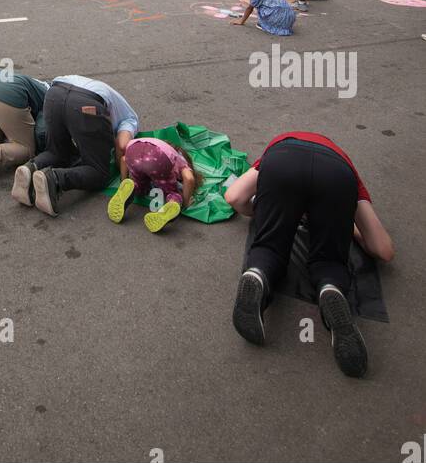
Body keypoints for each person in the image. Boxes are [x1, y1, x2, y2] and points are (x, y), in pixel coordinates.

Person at [225, 133, 394, 379]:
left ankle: (257, 272)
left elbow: (234, 197)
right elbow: (383, 250)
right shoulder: (347, 169)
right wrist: (346, 226)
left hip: (283, 162)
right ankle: (330, 288)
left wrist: (269, 214)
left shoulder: (279, 146)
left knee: (269, 247)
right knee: (329, 261)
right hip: (335, 176)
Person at [11, 74, 138, 217]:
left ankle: (30, 168)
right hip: (86, 103)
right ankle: (55, 178)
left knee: (57, 152)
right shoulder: (130, 118)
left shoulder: (107, 92)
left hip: (55, 93)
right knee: (99, 172)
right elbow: (122, 145)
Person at [107, 136, 201, 233]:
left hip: (133, 149)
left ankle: (132, 186)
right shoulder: (178, 158)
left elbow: (123, 159)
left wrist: (123, 182)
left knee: (141, 184)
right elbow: (189, 178)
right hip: (158, 159)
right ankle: (173, 202)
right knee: (172, 192)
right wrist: (186, 202)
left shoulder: (155, 142)